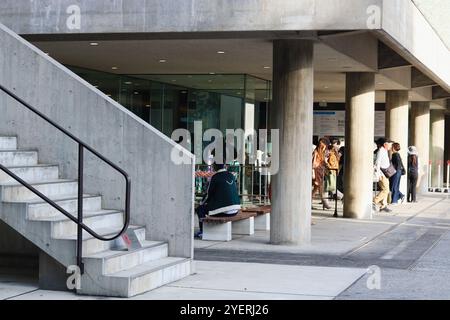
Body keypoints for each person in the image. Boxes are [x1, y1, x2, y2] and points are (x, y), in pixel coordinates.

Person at [194, 162, 241, 239]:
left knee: (200, 209)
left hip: (224, 211)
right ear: (224, 166)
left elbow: (208, 194)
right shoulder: (231, 175)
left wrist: (201, 203)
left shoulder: (215, 177)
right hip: (235, 210)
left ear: (215, 167)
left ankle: (202, 231)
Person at [373, 137, 394, 212]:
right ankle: (374, 201)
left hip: (385, 174)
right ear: (385, 144)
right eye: (390, 144)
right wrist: (377, 174)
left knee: (385, 189)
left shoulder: (384, 151)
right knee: (386, 190)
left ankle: (383, 205)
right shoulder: (381, 151)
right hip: (382, 174)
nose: (391, 146)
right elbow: (377, 163)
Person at [312, 137, 332, 209]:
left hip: (319, 173)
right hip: (316, 172)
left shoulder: (320, 152)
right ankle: (324, 203)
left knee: (316, 188)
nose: (324, 147)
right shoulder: (316, 152)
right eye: (324, 146)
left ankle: (310, 202)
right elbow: (314, 164)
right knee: (320, 188)